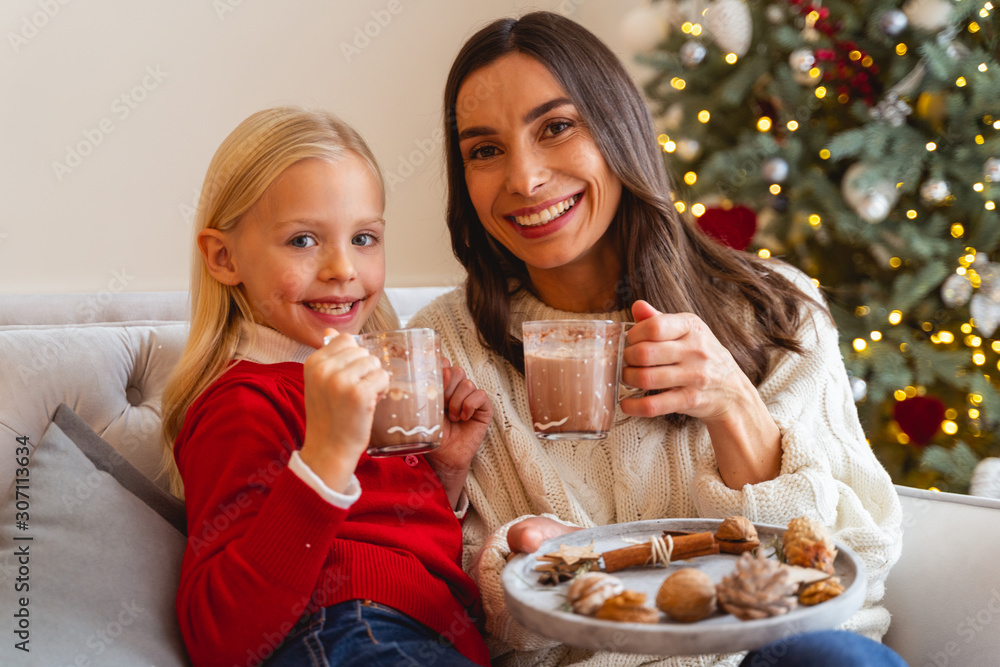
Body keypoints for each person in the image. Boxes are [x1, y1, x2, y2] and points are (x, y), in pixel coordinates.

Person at [409, 11, 905, 667]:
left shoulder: (778, 309)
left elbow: (851, 560)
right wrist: (524, 564)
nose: (524, 179)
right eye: (484, 149)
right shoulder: (443, 345)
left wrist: (734, 404)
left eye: (556, 127)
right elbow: (435, 608)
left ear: (618, 128)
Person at [159, 107, 491, 667]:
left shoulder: (376, 383)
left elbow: (389, 534)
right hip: (350, 633)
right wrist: (328, 455)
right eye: (304, 240)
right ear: (224, 257)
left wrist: (446, 474)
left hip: (435, 637)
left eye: (364, 237)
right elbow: (221, 637)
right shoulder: (244, 403)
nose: (342, 267)